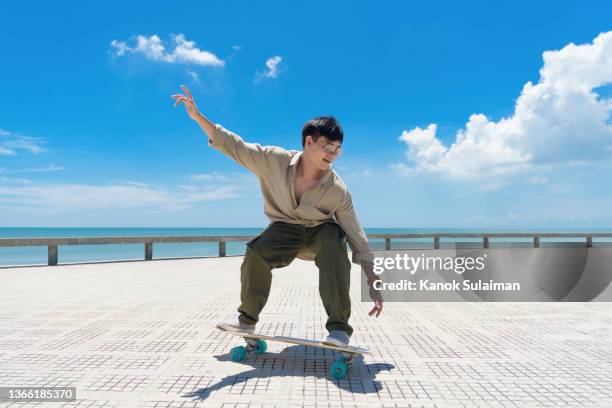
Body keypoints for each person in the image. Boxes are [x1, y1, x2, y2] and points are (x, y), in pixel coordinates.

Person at [173, 85, 383, 347]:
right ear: (308, 142)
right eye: (328, 147)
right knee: (256, 252)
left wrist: (373, 279)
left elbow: (357, 235)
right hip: (285, 229)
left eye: (338, 149)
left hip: (320, 233)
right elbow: (234, 146)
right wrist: (197, 116)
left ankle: (339, 331)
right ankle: (247, 321)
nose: (333, 155)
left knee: (334, 241)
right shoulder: (273, 160)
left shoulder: (337, 190)